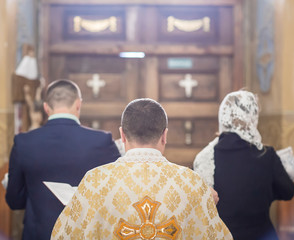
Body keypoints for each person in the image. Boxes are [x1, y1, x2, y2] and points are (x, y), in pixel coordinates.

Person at [51, 98, 232, 240]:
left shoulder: (94, 181)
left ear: (122, 135)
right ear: (164, 135)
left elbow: (63, 236)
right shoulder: (192, 183)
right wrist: (202, 203)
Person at [5, 79, 121, 240]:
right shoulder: (102, 141)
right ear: (78, 104)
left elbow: (14, 201)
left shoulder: (24, 143)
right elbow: (118, 194)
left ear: (46, 107)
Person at [193, 90, 294, 240]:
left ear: (223, 116)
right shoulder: (267, 154)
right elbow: (288, 191)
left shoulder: (204, 158)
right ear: (252, 117)